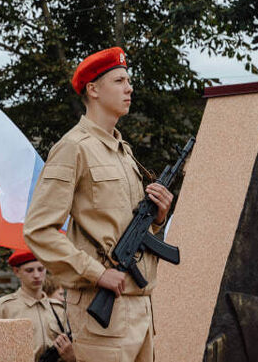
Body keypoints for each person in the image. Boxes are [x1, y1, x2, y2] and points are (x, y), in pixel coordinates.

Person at [23, 47, 173, 362]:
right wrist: (96, 273)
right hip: (102, 315)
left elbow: (124, 228)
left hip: (141, 309)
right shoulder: (73, 148)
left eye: (128, 81)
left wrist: (158, 217)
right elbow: (38, 230)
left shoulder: (124, 152)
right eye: (119, 81)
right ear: (93, 89)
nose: (129, 88)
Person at [0, 249, 74, 362]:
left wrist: (71, 357)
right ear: (16, 272)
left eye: (41, 269)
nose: (36, 275)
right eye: (29, 270)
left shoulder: (56, 308)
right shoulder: (4, 307)